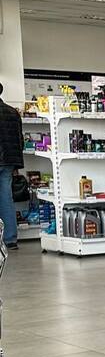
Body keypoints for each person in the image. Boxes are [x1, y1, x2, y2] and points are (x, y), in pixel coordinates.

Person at [0, 83, 25, 249]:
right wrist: (16, 163)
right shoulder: (12, 112)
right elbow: (19, 139)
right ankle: (10, 239)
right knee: (6, 198)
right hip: (8, 160)